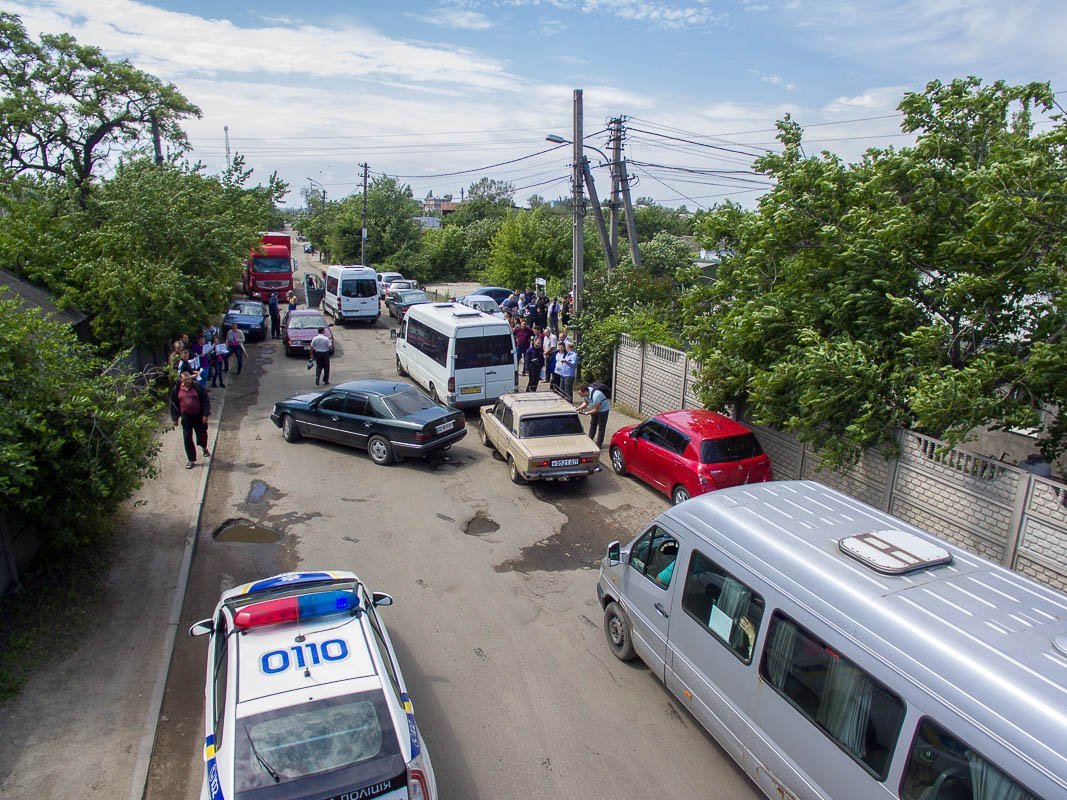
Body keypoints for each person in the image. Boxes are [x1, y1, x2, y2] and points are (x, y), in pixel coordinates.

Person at [169, 371, 211, 469]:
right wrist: (175, 418)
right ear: (181, 380)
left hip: (198, 416)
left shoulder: (197, 387)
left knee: (202, 434)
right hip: (186, 418)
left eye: (189, 379)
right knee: (187, 438)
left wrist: (205, 414)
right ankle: (191, 459)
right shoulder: (176, 390)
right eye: (185, 379)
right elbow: (173, 404)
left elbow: (205, 400)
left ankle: (204, 447)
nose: (188, 381)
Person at [576, 383, 610, 447]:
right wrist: (578, 408)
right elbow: (586, 402)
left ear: (585, 392)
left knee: (601, 428)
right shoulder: (586, 394)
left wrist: (587, 413)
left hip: (603, 410)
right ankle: (590, 440)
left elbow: (596, 409)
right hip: (595, 408)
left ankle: (598, 444)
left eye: (580, 393)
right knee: (593, 424)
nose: (579, 395)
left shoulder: (596, 395)